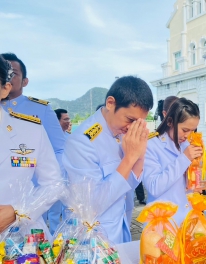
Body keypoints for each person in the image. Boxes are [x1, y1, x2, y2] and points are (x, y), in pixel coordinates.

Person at [62, 76, 153, 244]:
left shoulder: (121, 134)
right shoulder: (83, 141)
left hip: (121, 228)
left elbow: (127, 187)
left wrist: (140, 154)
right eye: (130, 120)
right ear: (111, 103)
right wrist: (129, 158)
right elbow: (93, 204)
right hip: (94, 240)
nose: (132, 127)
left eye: (138, 122)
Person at [0, 57, 62, 235]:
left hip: (23, 239)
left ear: (5, 88)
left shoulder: (30, 130)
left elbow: (54, 183)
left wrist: (19, 211)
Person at [142, 97, 202, 225]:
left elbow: (190, 186)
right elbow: (154, 187)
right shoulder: (151, 145)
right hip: (163, 224)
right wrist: (184, 159)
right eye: (185, 130)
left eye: (192, 130)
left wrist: (200, 175)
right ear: (170, 121)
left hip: (186, 220)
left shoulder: (187, 145)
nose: (188, 135)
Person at [0, 53, 65, 161]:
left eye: (13, 73)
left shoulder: (42, 109)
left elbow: (59, 149)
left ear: (25, 82)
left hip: (31, 175)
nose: (7, 77)